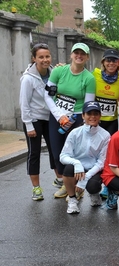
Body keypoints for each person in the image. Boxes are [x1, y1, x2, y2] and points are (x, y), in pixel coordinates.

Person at [44, 42, 96, 199]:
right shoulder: (59, 71)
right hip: (57, 116)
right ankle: (66, 185)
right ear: (71, 55)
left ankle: (75, 188)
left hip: (77, 118)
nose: (79, 56)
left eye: (83, 53)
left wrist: (74, 119)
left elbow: (88, 104)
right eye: (76, 53)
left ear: (87, 57)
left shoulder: (89, 78)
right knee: (56, 152)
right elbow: (47, 95)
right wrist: (60, 116)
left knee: (74, 153)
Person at [19, 43, 61, 200]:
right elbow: (24, 104)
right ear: (34, 58)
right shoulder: (28, 79)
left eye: (47, 56)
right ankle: (36, 188)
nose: (45, 59)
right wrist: (29, 125)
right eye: (41, 57)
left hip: (50, 117)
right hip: (34, 119)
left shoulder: (54, 74)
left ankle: (59, 179)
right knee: (34, 152)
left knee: (55, 149)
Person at [59, 101, 110, 214]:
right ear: (83, 116)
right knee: (67, 169)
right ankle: (72, 200)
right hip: (77, 168)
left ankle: (94, 193)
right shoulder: (74, 132)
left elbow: (102, 162)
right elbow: (63, 156)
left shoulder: (105, 135)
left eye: (96, 113)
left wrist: (86, 177)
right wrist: (76, 163)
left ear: (100, 116)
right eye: (89, 113)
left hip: (94, 168)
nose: (92, 116)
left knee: (93, 186)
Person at [93, 49, 119, 136]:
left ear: (118, 63)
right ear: (103, 62)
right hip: (95, 119)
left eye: (114, 60)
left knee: (110, 147)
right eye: (108, 60)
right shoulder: (95, 74)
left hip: (112, 121)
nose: (111, 63)